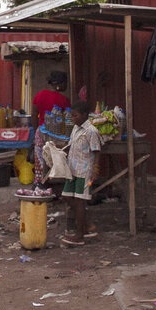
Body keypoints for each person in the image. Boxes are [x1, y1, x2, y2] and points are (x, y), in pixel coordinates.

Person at [60, 101, 101, 247]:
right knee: (66, 196)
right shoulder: (75, 129)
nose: (73, 118)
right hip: (72, 169)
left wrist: (95, 170)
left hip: (84, 171)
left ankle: (80, 235)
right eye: (72, 115)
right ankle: (87, 224)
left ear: (84, 115)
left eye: (75, 115)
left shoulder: (91, 131)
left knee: (79, 202)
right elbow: (71, 146)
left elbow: (96, 151)